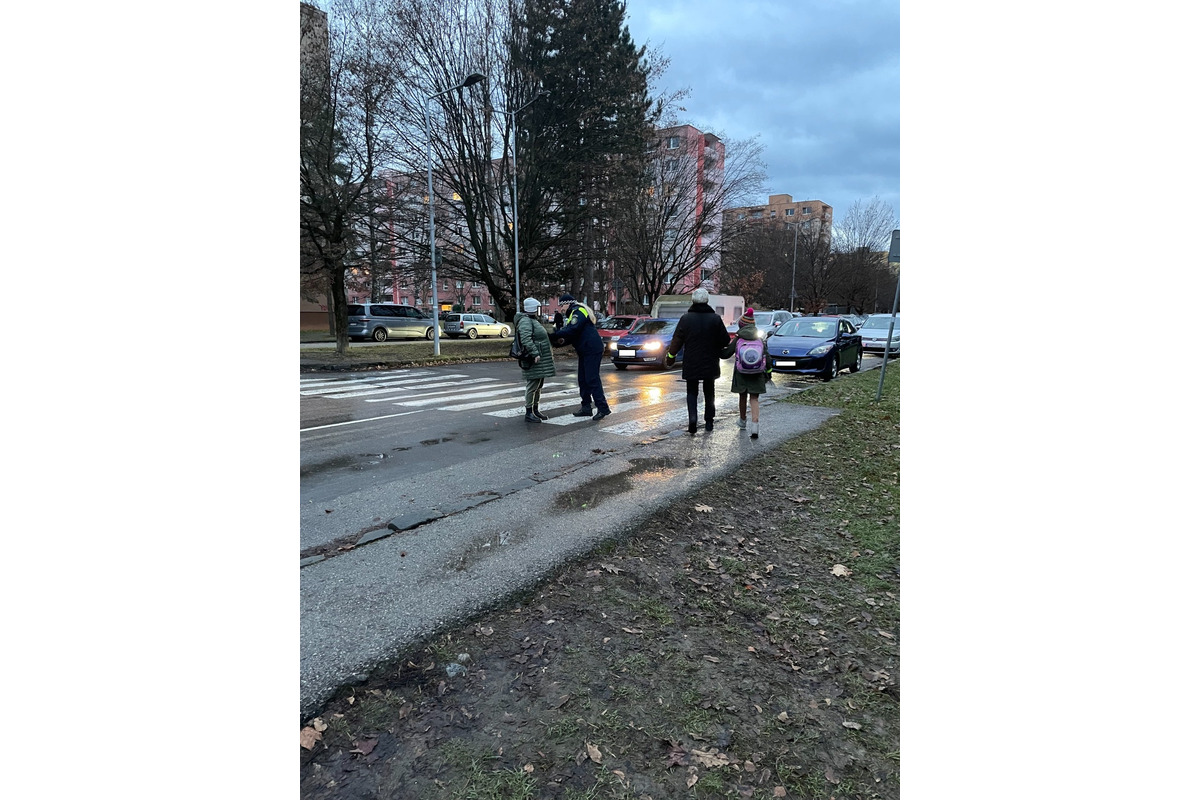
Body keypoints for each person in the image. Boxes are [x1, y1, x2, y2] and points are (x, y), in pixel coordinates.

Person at [664, 288, 730, 434]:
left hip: (691, 361)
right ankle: (709, 421)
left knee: (691, 391)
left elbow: (677, 341)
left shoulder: (686, 319)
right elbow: (725, 340)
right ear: (707, 301)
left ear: (693, 301)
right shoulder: (715, 319)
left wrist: (671, 356)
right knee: (709, 392)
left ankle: (692, 420)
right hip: (710, 361)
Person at [550, 293, 611, 421]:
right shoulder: (573, 313)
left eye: (561, 306)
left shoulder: (578, 311)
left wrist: (555, 335)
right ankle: (586, 407)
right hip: (585, 349)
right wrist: (559, 342)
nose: (561, 309)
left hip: (591, 349)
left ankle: (603, 408)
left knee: (592, 379)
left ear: (566, 304)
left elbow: (573, 329)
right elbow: (573, 334)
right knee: (583, 379)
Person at [720, 308, 771, 439]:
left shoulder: (738, 338)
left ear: (741, 325)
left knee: (742, 396)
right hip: (757, 373)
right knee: (754, 398)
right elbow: (767, 357)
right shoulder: (760, 338)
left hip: (741, 373)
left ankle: (742, 421)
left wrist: (716, 350)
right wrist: (768, 373)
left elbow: (726, 354)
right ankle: (755, 426)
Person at [515, 297, 556, 423]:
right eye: (538, 308)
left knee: (538, 385)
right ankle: (529, 412)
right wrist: (535, 353)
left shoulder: (532, 320)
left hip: (540, 358)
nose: (540, 310)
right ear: (533, 309)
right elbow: (526, 339)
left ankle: (535, 410)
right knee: (533, 385)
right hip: (534, 359)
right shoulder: (526, 321)